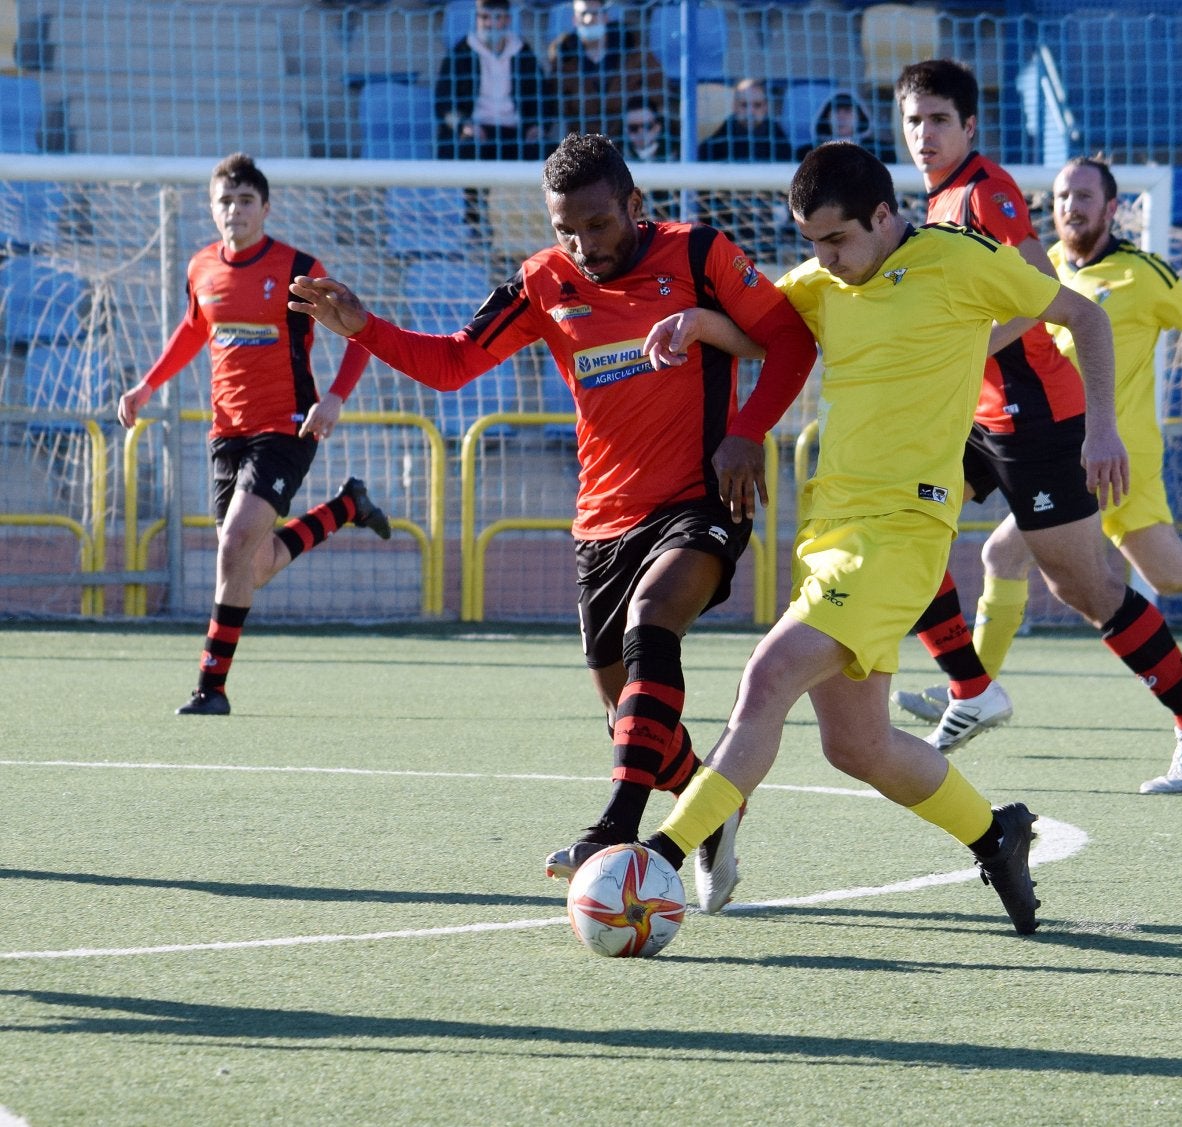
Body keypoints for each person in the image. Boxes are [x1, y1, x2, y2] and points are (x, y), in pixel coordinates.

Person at [287, 134, 817, 911]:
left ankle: (616, 831)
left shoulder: (699, 253)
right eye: (566, 228)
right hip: (601, 520)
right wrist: (365, 326)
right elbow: (451, 364)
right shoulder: (544, 280)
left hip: (701, 498)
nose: (584, 244)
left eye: (599, 224)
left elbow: (792, 340)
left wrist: (747, 431)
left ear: (635, 205)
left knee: (652, 624)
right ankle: (715, 805)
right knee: (628, 712)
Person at [634, 140, 1123, 934]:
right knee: (856, 745)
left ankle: (660, 850)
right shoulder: (827, 279)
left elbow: (1081, 314)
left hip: (902, 531)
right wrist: (698, 324)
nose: (823, 259)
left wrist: (1100, 427)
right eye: (812, 243)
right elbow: (771, 330)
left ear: (886, 217)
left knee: (767, 677)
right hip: (832, 530)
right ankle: (997, 834)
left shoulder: (964, 261)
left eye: (837, 240)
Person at [890, 59, 1182, 794]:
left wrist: (1098, 424)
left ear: (971, 125)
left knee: (1091, 590)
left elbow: (1041, 298)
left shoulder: (986, 193)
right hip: (979, 416)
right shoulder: (941, 199)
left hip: (1036, 418)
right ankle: (970, 687)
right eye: (913, 119)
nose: (924, 133)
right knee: (895, 517)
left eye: (939, 119)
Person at [116, 152, 390, 717]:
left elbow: (362, 334)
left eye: (246, 201)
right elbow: (193, 331)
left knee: (237, 543)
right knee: (253, 561)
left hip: (289, 426)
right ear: (212, 210)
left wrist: (334, 398)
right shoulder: (202, 269)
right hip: (227, 433)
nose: (235, 210)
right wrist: (146, 387)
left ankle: (209, 688)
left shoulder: (299, 270)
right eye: (225, 201)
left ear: (265, 208)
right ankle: (345, 508)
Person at [433, 0, 553, 163]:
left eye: (497, 17)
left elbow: (543, 96)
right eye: (484, 17)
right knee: (468, 148)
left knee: (551, 152)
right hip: (477, 131)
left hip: (516, 131)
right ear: (477, 19)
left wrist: (538, 126)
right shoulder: (460, 54)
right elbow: (443, 103)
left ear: (508, 20)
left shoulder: (523, 54)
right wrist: (463, 125)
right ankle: (470, 190)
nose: (490, 23)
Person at [697, 79, 794, 262]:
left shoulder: (781, 144)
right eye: (744, 105)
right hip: (726, 224)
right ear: (734, 106)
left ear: (766, 107)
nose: (750, 112)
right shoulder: (714, 145)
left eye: (757, 105)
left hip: (767, 227)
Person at [548, 0, 668, 144]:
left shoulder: (633, 49)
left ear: (605, 17)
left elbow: (658, 88)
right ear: (574, 19)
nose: (589, 19)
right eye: (583, 14)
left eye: (594, 13)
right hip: (582, 143)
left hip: (627, 139)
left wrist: (637, 110)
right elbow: (555, 103)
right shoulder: (563, 57)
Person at [619, 96, 681, 222]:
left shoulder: (678, 153)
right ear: (626, 130)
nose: (641, 132)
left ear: (658, 127)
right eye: (634, 128)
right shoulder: (617, 157)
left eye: (647, 126)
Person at [795, 90, 893, 162]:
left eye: (847, 111)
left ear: (859, 117)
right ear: (826, 117)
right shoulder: (806, 154)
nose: (841, 117)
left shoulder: (880, 152)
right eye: (836, 111)